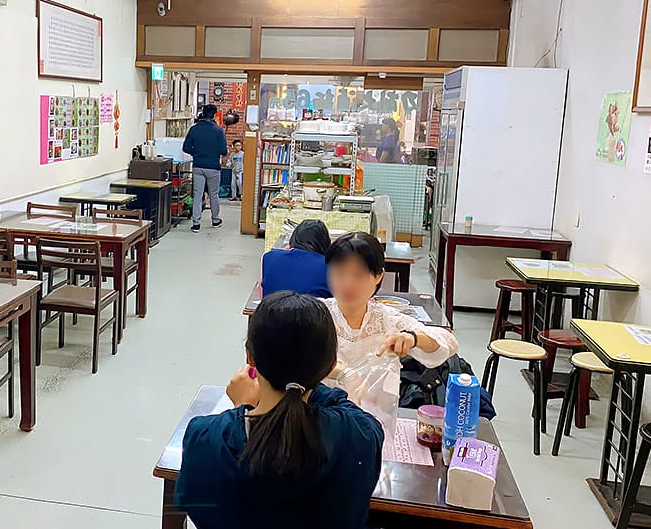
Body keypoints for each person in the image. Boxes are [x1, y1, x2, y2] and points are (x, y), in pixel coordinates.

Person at [175, 291, 384, 529]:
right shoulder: (360, 435)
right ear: (328, 366)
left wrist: (242, 407)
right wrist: (319, 375)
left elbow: (194, 505)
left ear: (250, 359)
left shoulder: (205, 438)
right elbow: (343, 406)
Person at [324, 232, 457, 376]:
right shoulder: (317, 314)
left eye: (358, 275)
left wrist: (413, 338)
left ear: (378, 276)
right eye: (339, 273)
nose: (348, 283)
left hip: (376, 398)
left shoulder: (386, 319)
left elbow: (448, 342)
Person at [184, 104, 228, 233]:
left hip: (198, 166)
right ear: (214, 115)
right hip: (213, 167)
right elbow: (223, 150)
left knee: (198, 194)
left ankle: (196, 223)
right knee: (213, 194)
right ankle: (215, 220)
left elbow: (186, 147)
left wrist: (196, 153)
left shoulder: (194, 129)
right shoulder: (218, 131)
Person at [261, 219, 331, 298]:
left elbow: (262, 290)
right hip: (312, 309)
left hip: (270, 309)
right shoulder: (330, 267)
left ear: (293, 238)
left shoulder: (269, 257)